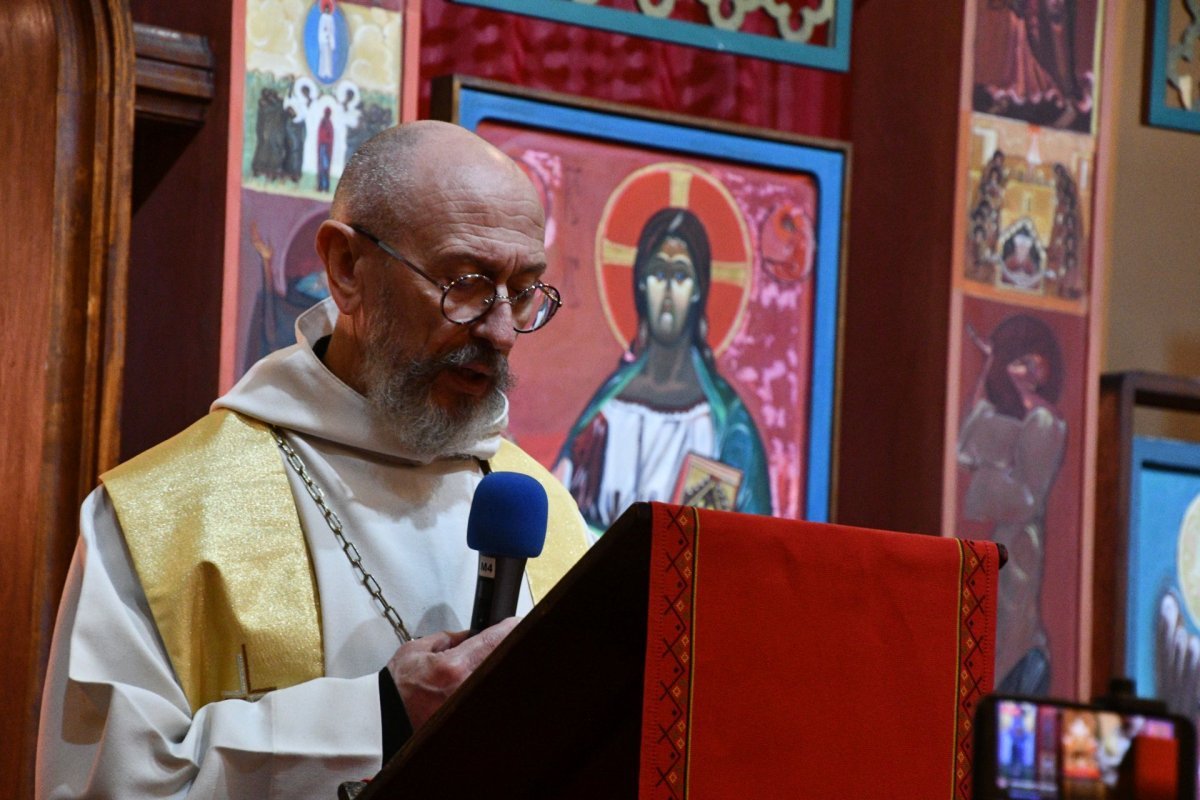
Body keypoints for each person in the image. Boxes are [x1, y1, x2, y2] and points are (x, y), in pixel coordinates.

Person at [36, 121, 588, 798]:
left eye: (525, 289)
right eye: (466, 282)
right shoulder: (168, 518)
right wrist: (379, 714)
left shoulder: (550, 517)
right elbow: (103, 786)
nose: (502, 330)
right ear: (347, 268)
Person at [554, 207, 770, 534]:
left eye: (680, 275)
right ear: (641, 282)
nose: (668, 290)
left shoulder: (724, 423)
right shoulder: (607, 411)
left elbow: (745, 540)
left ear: (698, 289)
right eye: (658, 273)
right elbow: (559, 513)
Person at [957, 314, 1066, 696]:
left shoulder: (1043, 421)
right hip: (1004, 548)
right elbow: (967, 443)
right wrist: (986, 365)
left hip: (1021, 547)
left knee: (1015, 623)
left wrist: (985, 482)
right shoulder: (1009, 419)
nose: (1032, 369)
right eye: (1019, 360)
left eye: (1037, 360)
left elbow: (1025, 498)